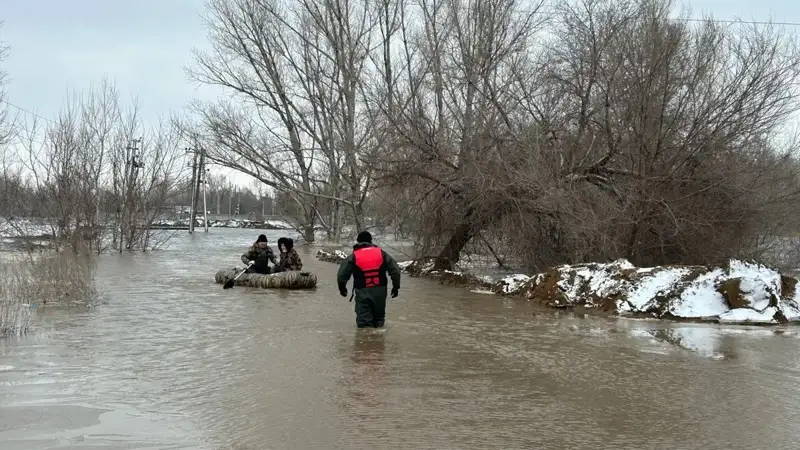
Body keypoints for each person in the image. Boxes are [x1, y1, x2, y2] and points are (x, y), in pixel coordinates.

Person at [337, 231, 401, 328]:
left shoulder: (354, 256)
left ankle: (366, 341)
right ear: (371, 241)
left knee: (364, 325)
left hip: (362, 291)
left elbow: (342, 274)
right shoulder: (382, 254)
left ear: (358, 242)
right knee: (379, 321)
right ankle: (379, 340)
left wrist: (342, 288)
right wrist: (396, 287)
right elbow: (395, 271)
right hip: (380, 291)